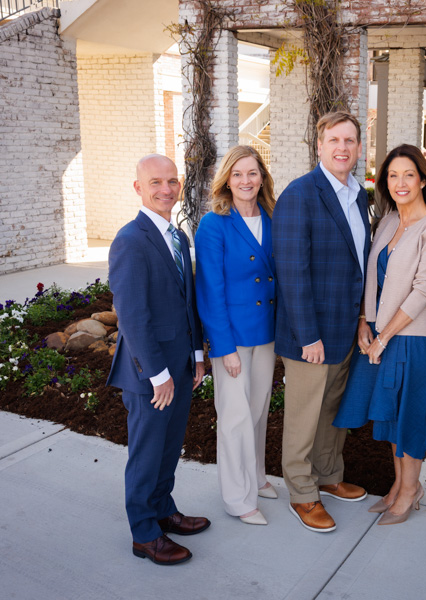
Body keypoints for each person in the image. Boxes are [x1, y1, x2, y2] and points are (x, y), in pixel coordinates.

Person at [335, 144, 426, 525]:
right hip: (378, 334)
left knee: (411, 418)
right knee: (389, 418)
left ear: (422, 180)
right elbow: (371, 278)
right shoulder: (386, 222)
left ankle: (409, 490)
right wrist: (363, 323)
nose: (400, 183)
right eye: (392, 175)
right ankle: (398, 485)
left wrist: (384, 335)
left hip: (412, 338)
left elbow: (424, 291)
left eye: (408, 175)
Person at [107, 154, 209, 565]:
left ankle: (164, 510)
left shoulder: (178, 236)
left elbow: (189, 303)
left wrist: (198, 357)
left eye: (171, 181)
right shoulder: (130, 240)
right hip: (152, 374)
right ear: (138, 188)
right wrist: (159, 375)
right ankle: (145, 534)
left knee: (169, 448)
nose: (165, 190)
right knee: (147, 454)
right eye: (155, 183)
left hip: (182, 366)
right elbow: (132, 316)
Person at [273, 111, 371, 532]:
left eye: (349, 141)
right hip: (310, 335)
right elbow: (292, 272)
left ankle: (329, 475)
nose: (342, 148)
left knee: (333, 410)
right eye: (334, 140)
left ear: (359, 147)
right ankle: (301, 491)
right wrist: (307, 336)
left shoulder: (359, 194)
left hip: (346, 329)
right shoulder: (300, 194)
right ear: (319, 146)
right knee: (303, 416)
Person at [195, 145, 278, 526]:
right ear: (227, 179)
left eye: (253, 173)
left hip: (267, 333)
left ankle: (257, 477)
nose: (246, 181)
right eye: (238, 174)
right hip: (233, 337)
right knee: (233, 417)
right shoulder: (215, 223)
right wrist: (223, 348)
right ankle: (236, 497)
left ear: (262, 177)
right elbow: (210, 290)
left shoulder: (272, 217)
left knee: (258, 411)